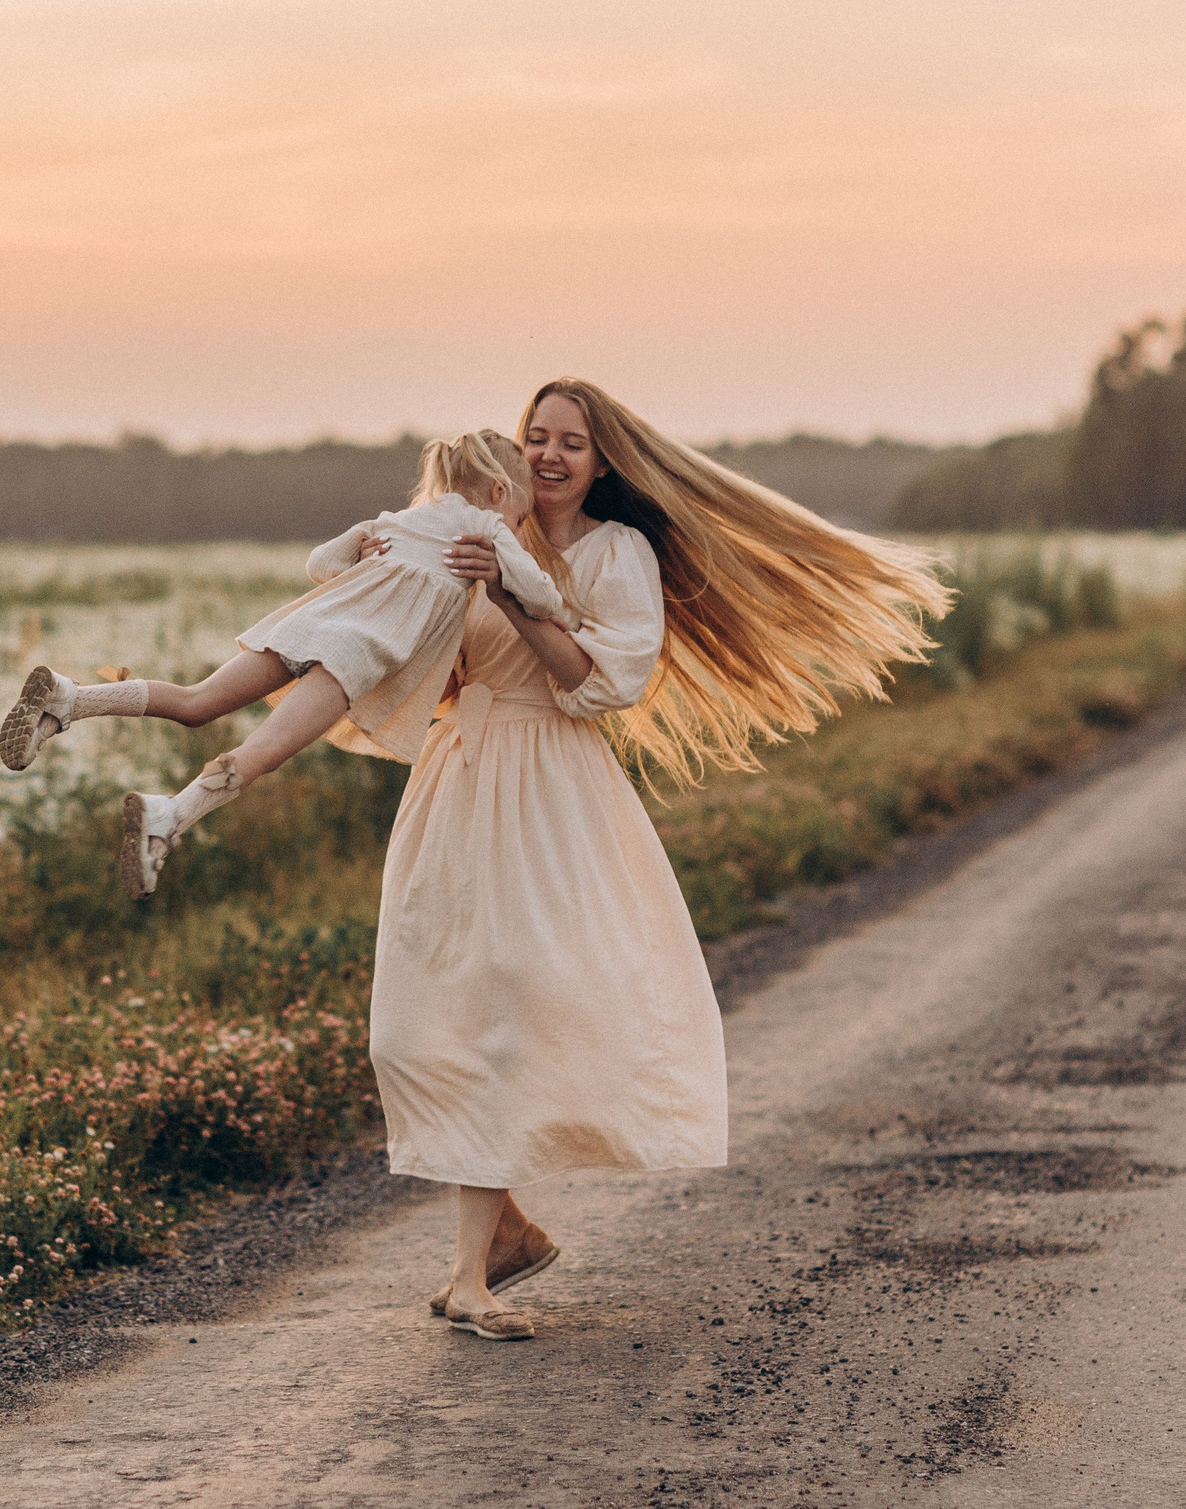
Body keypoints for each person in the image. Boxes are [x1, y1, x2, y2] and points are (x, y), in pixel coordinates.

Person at [376, 379, 949, 1340]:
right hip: (455, 781)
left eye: (571, 443)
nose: (549, 456)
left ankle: (470, 1274)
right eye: (537, 437)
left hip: (546, 789)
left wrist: (513, 598)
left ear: (603, 462)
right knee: (413, 1014)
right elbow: (434, 671)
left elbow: (599, 684)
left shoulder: (616, 552)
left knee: (509, 997)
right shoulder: (475, 530)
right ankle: (505, 1229)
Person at [0, 429, 577, 898]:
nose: (522, 524)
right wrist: (561, 615)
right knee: (261, 754)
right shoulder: (488, 530)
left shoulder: (396, 522)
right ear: (501, 493)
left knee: (198, 702)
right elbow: (539, 594)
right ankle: (165, 817)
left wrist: (361, 554)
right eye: (524, 510)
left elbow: (320, 565)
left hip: (308, 626)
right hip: (352, 659)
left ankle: (70, 699)